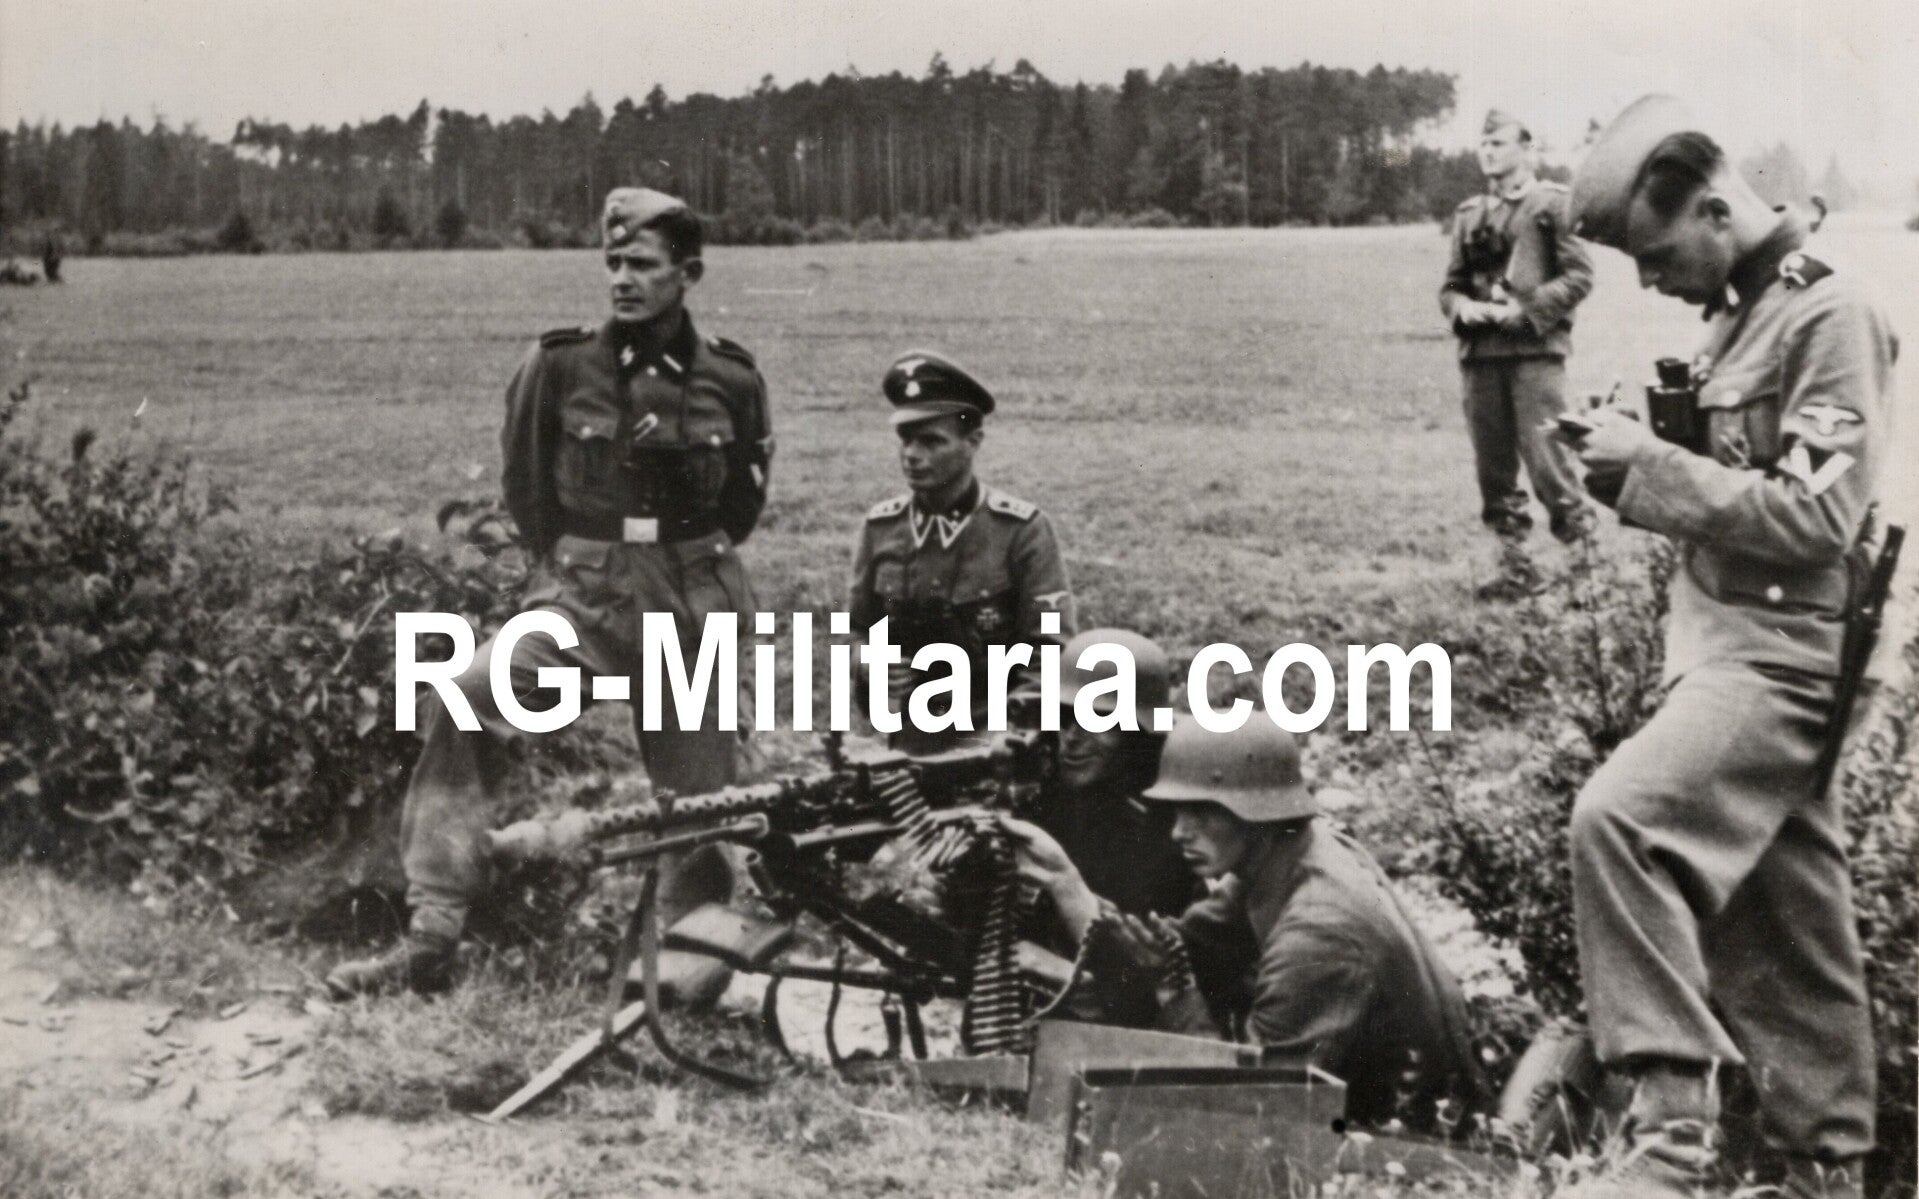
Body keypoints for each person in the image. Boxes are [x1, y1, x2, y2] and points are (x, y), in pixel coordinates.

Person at [1556, 95, 1893, 1199]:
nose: (1651, 282)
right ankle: (1824, 1171)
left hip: (1782, 655)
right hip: (1728, 644)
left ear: (1713, 208)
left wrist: (1647, 470)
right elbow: (1739, 483)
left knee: (1618, 820)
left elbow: (1815, 519)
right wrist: (1632, 454)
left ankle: (1666, 1146)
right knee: (1780, 924)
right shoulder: (1740, 314)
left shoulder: (1826, 313)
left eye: (1656, 258)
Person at [327, 188, 774, 1000]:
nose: (622, 279)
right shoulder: (561, 364)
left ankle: (689, 962)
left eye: (643, 264)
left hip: (691, 606)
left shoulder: (732, 378)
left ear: (688, 273)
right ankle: (432, 933)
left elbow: (740, 505)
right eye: (613, 262)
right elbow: (527, 489)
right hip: (587, 601)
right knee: (470, 693)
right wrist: (581, 565)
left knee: (702, 797)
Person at [1003, 717, 1482, 1131]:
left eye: (1202, 812)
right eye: (1177, 811)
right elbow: (1177, 945)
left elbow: (1252, 1109)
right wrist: (1064, 882)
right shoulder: (1287, 852)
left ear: (1256, 812)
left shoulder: (1321, 932)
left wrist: (1174, 993)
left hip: (1409, 1140)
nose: (1179, 832)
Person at [846, 351, 1075, 753]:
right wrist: (867, 661)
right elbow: (856, 628)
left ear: (973, 443)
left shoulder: (1020, 530)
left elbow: (1051, 649)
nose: (912, 454)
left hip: (998, 737)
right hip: (909, 737)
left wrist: (1012, 733)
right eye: (906, 440)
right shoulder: (881, 528)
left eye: (932, 441)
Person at [1440, 108, 1597, 596]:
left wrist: (1526, 311)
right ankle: (1515, 568)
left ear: (1526, 149)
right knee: (1493, 470)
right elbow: (1450, 286)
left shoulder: (1551, 205)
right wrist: (1463, 307)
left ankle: (1586, 575)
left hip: (1534, 355)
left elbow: (1580, 276)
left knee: (1549, 462)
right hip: (1481, 357)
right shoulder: (1469, 215)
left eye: (1499, 144)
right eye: (1483, 144)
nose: (1488, 152)